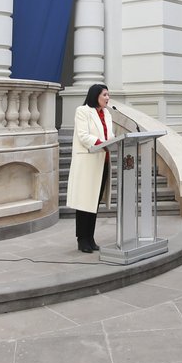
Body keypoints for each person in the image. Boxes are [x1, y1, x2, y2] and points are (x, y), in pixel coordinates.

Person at [68, 83, 115, 253]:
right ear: (95, 95)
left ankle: (91, 237)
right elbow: (83, 135)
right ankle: (82, 239)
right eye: (105, 95)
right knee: (84, 202)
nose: (107, 98)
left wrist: (113, 141)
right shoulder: (83, 111)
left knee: (94, 202)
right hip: (88, 161)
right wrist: (102, 143)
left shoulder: (107, 114)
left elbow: (110, 136)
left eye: (108, 95)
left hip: (102, 161)